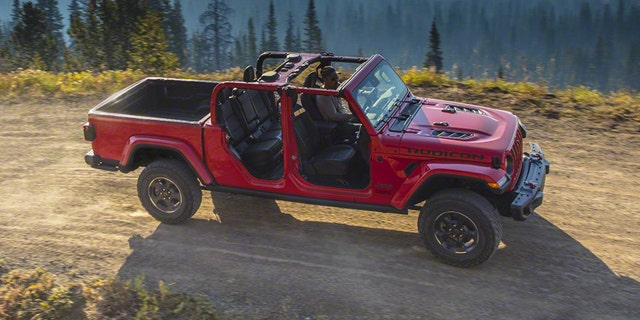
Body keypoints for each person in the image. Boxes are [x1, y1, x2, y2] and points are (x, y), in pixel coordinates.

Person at [315, 66, 358, 141]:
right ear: (325, 80)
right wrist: (351, 116)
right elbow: (334, 116)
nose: (336, 81)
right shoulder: (323, 96)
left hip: (344, 120)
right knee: (363, 128)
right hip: (337, 126)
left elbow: (348, 91)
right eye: (333, 79)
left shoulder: (334, 88)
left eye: (336, 77)